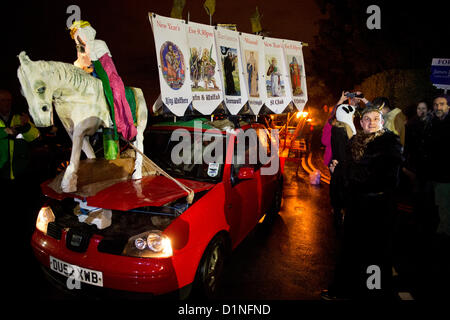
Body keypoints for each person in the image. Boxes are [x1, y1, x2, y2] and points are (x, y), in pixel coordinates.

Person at [322, 106, 403, 300]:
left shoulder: (389, 144)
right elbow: (350, 175)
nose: (371, 122)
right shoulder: (354, 142)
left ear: (381, 121)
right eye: (367, 119)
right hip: (357, 206)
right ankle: (344, 290)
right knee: (351, 252)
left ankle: (372, 292)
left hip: (379, 208)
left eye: (376, 118)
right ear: (361, 122)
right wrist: (338, 170)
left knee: (375, 254)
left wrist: (344, 171)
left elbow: (377, 178)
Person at [69, 20, 137, 142]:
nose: (78, 40)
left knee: (115, 93)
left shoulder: (99, 44)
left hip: (107, 77)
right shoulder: (81, 51)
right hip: (91, 80)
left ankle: (121, 125)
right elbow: (80, 66)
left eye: (79, 36)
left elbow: (107, 68)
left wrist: (92, 67)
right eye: (76, 38)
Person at [423, 95, 450, 238]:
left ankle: (444, 232)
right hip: (433, 173)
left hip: (445, 174)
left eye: (442, 104)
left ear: (448, 106)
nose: (438, 107)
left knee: (444, 204)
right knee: (438, 204)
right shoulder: (432, 123)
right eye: (435, 104)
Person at [329, 104, 356, 227]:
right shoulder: (341, 130)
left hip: (341, 169)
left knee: (339, 199)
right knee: (341, 197)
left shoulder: (343, 128)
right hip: (342, 170)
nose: (353, 116)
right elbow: (341, 153)